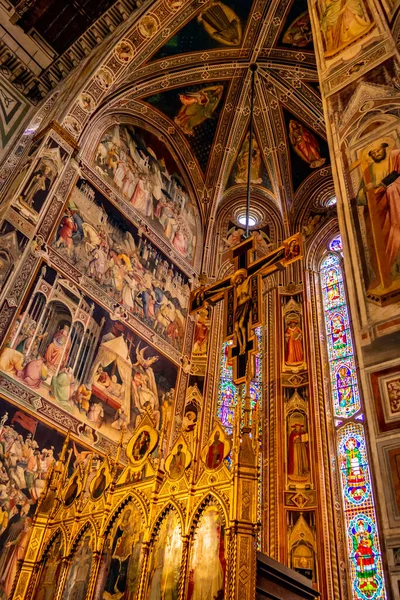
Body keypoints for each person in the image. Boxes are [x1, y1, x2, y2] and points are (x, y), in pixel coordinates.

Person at [357, 141, 400, 287]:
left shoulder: (394, 158)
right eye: (373, 153)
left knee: (392, 189)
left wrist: (385, 185)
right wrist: (366, 190)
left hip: (394, 203)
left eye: (378, 151)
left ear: (384, 148)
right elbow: (360, 197)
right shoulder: (368, 171)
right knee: (383, 239)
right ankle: (390, 272)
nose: (376, 154)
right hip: (379, 211)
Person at [231, 269, 251, 356]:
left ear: (242, 277)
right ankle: (240, 346)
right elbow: (225, 288)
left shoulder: (247, 281)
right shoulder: (237, 288)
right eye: (236, 280)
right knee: (235, 328)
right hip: (239, 307)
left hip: (246, 303)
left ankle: (244, 345)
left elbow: (258, 271)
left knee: (241, 325)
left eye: (238, 279)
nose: (238, 281)